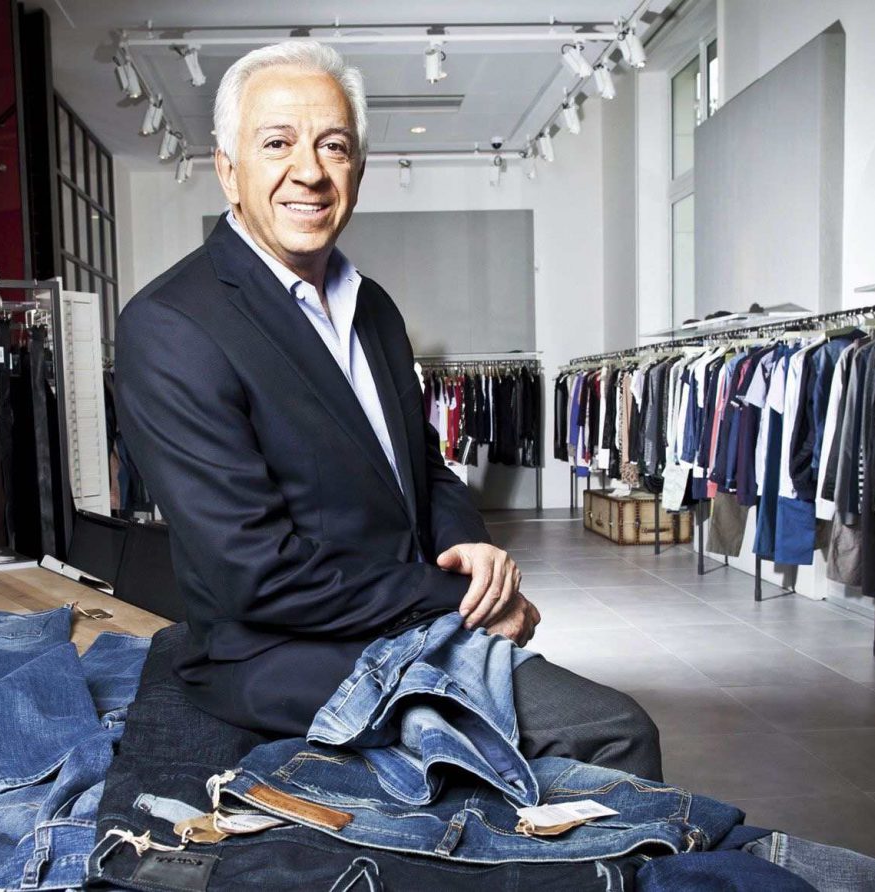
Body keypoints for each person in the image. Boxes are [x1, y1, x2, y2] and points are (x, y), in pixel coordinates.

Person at [114, 41, 662, 780]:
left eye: (333, 146)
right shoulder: (172, 323)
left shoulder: (370, 306)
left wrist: (469, 550)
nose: (309, 171)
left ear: (358, 170)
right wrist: (460, 602)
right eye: (277, 143)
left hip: (401, 619)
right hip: (284, 654)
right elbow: (254, 572)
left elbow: (420, 467)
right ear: (227, 169)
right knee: (615, 732)